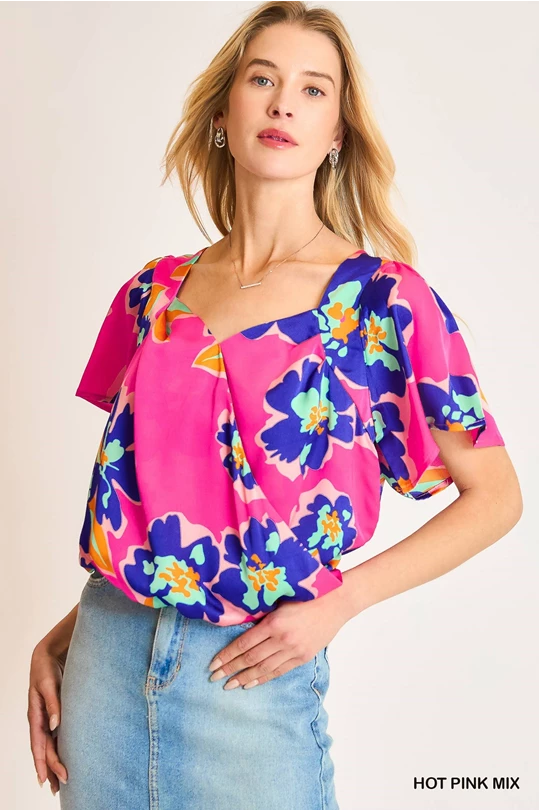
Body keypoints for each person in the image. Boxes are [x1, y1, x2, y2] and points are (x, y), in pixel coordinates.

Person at [27, 1, 522, 808]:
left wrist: (341, 600)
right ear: (223, 115)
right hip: (104, 668)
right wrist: (66, 633)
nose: (283, 103)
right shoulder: (151, 295)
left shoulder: (382, 302)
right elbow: (158, 508)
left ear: (337, 134)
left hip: (250, 681)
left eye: (312, 89)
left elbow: (496, 498)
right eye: (262, 79)